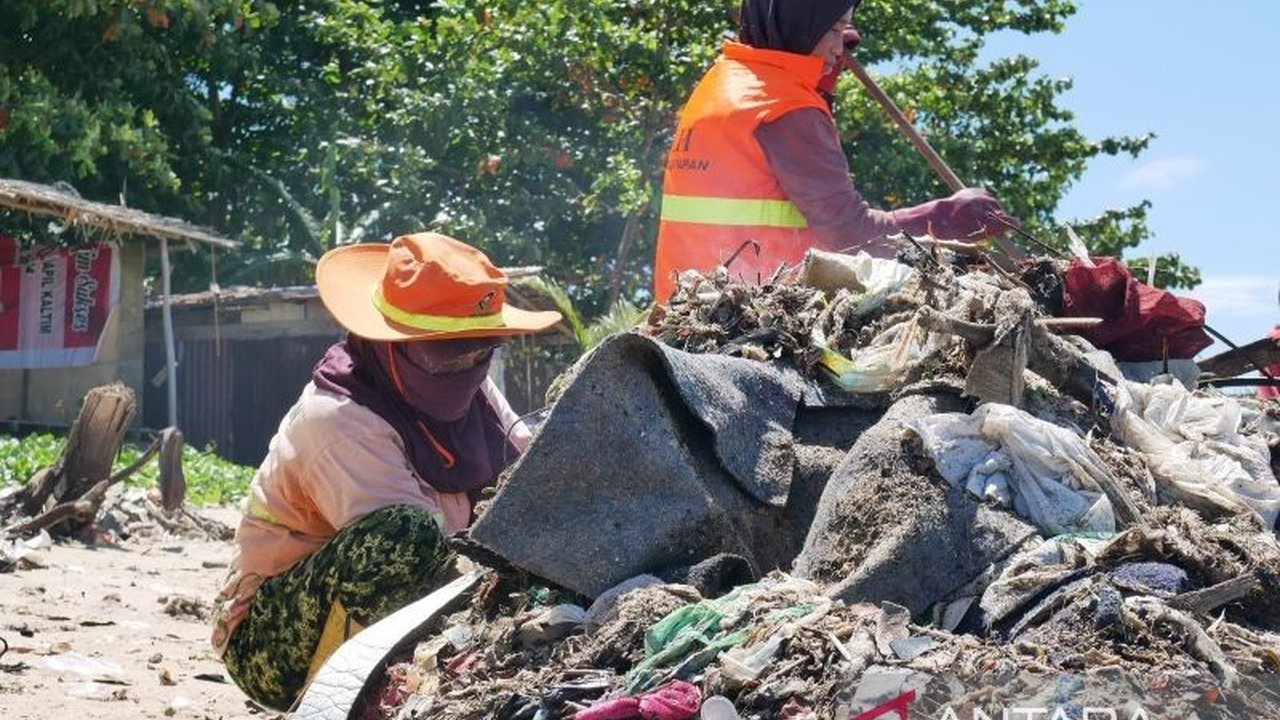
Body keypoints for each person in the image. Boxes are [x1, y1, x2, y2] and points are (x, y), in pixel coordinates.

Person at [210, 232, 562, 710]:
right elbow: (431, 564)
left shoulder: (472, 392)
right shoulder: (339, 420)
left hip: (411, 603)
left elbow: (526, 480)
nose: (468, 366)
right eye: (449, 354)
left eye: (480, 352)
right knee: (405, 536)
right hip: (275, 638)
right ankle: (359, 701)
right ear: (392, 345)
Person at [653, 0, 1017, 300]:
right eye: (831, 29)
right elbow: (851, 235)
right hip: (752, 316)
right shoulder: (788, 107)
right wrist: (948, 218)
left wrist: (817, 78)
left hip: (682, 306)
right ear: (800, 24)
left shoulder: (725, 79)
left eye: (844, 31)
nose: (839, 46)